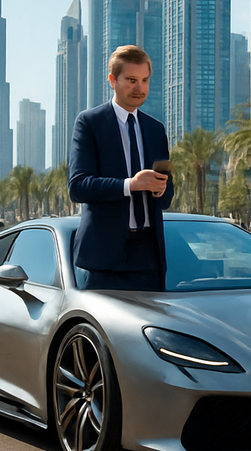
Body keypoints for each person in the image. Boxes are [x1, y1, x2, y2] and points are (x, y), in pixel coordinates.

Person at [68, 45, 173, 291]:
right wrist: (131, 185)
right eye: (132, 80)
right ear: (112, 80)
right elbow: (78, 186)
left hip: (149, 256)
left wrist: (160, 188)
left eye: (145, 80)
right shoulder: (89, 122)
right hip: (104, 258)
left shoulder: (155, 129)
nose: (140, 88)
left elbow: (166, 198)